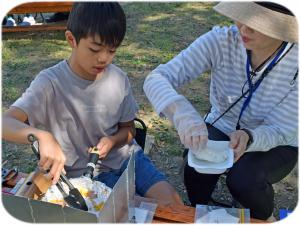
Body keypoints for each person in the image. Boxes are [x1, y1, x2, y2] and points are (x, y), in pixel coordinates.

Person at [2, 2, 182, 205]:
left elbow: (129, 129)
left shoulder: (118, 79)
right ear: (71, 39)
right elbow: (5, 123)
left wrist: (113, 141)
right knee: (133, 214)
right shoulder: (50, 83)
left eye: (112, 51)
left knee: (173, 206)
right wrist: (42, 137)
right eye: (95, 49)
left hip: (128, 160)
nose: (104, 58)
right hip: (84, 177)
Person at [143, 2, 298, 220]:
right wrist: (180, 111)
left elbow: (283, 128)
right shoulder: (221, 41)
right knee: (196, 163)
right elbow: (156, 78)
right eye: (241, 16)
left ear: (284, 27)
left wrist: (250, 137)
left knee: (244, 179)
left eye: (258, 24)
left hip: (277, 140)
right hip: (223, 124)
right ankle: (200, 211)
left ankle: (264, 217)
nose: (243, 28)